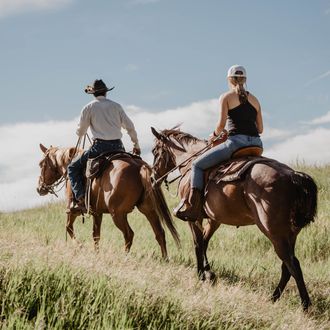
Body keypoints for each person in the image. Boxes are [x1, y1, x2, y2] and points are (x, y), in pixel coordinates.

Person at [176, 65, 263, 221]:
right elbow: (261, 129)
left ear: (229, 80)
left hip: (236, 143)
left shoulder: (226, 97)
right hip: (257, 144)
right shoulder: (255, 100)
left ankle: (193, 206)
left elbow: (221, 125)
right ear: (245, 79)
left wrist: (214, 136)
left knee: (197, 165)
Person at [67, 79, 141, 212]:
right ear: (106, 92)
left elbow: (81, 131)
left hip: (99, 148)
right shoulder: (116, 106)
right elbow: (130, 127)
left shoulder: (88, 107)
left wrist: (80, 131)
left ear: (93, 94)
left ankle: (80, 200)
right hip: (118, 147)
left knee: (72, 167)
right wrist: (136, 144)